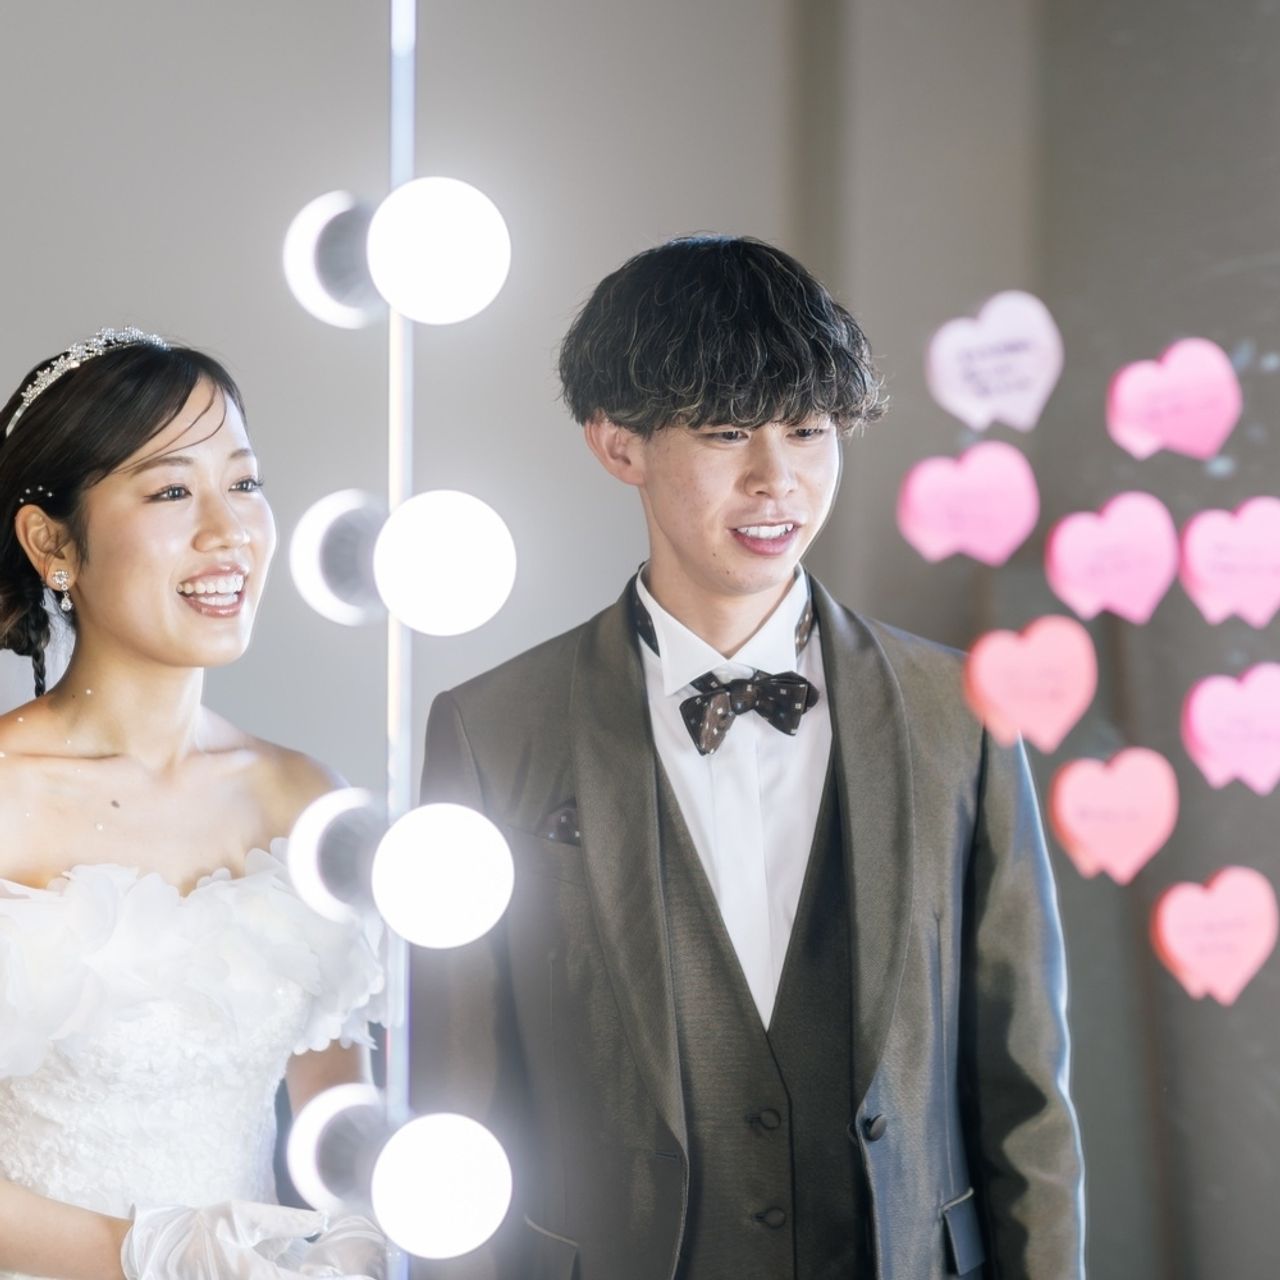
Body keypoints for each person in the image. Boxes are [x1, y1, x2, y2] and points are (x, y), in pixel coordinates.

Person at [416, 237, 1085, 1280]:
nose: (777, 479)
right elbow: (458, 1103)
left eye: (808, 430)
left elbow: (1025, 1088)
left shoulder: (959, 713)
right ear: (618, 443)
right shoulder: (492, 729)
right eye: (727, 431)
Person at [0, 329, 386, 1280]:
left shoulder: (305, 800)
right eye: (172, 492)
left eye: (245, 483)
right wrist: (152, 1253)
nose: (229, 531)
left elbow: (343, 1123)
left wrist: (357, 1237)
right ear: (53, 542)